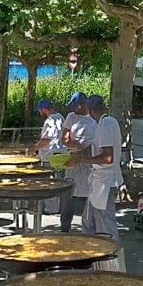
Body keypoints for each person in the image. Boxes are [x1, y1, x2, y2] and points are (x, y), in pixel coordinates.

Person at [73, 94, 123, 240]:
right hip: (99, 182)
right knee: (88, 222)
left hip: (105, 182)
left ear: (89, 109)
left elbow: (108, 157)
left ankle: (112, 259)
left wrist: (82, 159)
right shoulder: (109, 122)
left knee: (106, 228)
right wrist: (78, 156)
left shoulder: (104, 125)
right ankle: (91, 257)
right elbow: (97, 149)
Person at [61, 100, 97, 233]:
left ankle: (89, 229)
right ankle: (65, 229)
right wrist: (75, 144)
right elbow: (64, 139)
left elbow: (95, 145)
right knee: (69, 197)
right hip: (73, 161)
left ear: (82, 105)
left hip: (88, 163)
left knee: (90, 198)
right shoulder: (71, 117)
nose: (73, 109)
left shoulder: (94, 119)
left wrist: (83, 152)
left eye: (75, 106)